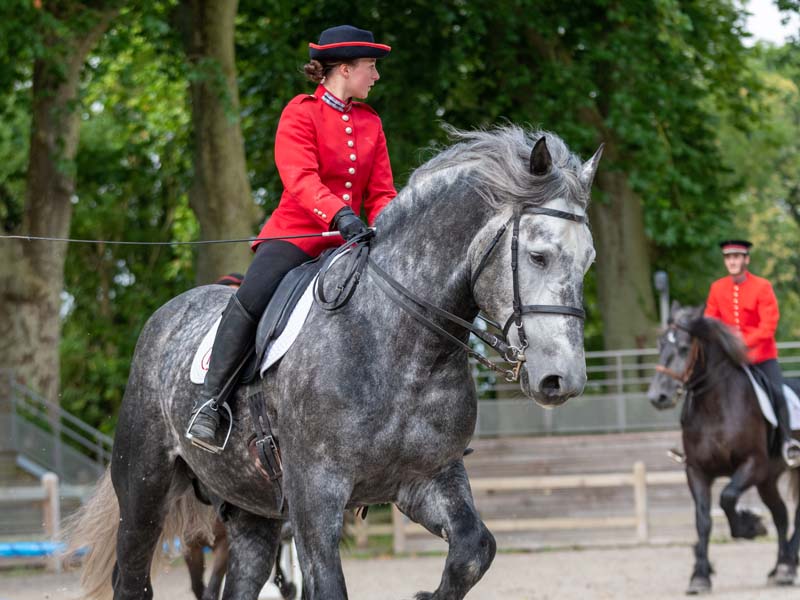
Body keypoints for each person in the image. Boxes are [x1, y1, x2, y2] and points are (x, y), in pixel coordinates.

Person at [186, 25, 397, 452]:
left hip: (352, 243)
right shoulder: (301, 113)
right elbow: (300, 178)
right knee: (253, 296)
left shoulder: (370, 122)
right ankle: (212, 404)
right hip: (298, 234)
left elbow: (381, 192)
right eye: (370, 67)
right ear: (344, 68)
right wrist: (340, 215)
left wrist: (391, 224)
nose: (375, 76)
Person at [704, 239, 800, 467]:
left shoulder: (762, 286)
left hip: (761, 357)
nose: (733, 261)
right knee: (701, 389)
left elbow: (769, 325)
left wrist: (742, 344)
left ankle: (788, 443)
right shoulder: (717, 288)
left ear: (746, 260)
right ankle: (699, 444)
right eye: (729, 257)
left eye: (737, 257)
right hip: (729, 361)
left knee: (778, 392)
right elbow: (711, 322)